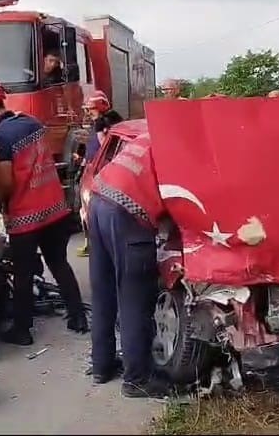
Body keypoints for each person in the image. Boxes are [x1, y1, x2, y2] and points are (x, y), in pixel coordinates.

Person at [0, 80, 89, 345]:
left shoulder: (1, 138)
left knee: (22, 273)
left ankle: (22, 330)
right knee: (59, 263)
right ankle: (77, 315)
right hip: (55, 209)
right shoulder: (32, 123)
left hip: (26, 216)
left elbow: (5, 181)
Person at [87, 131, 171, 398]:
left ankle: (101, 365)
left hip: (99, 200)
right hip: (127, 214)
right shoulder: (181, 146)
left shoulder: (150, 133)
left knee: (104, 292)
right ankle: (137, 379)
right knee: (136, 298)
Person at [76, 91, 123, 258]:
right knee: (86, 208)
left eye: (92, 110)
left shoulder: (105, 124)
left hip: (101, 170)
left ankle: (97, 243)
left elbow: (105, 146)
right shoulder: (100, 123)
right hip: (91, 168)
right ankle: (91, 242)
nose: (89, 113)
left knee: (92, 207)